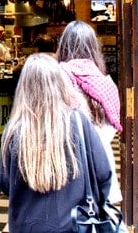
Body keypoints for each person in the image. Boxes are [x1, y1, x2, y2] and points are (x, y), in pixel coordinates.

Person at [0, 53, 112, 233]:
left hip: (26, 227)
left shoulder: (13, 131)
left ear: (23, 88)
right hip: (74, 225)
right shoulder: (79, 122)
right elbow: (103, 173)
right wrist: (95, 206)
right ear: (60, 83)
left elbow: (5, 183)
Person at [56, 20, 123, 203]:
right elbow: (111, 127)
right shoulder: (105, 82)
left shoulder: (59, 76)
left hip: (66, 162)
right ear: (94, 47)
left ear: (63, 45)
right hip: (100, 162)